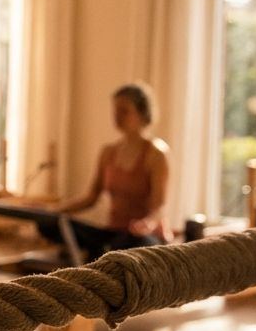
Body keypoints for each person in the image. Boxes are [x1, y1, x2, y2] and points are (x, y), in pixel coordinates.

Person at [53, 83, 172, 260]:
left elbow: (158, 207)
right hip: (112, 234)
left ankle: (104, 254)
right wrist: (54, 211)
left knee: (132, 242)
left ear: (142, 113)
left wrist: (146, 224)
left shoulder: (156, 153)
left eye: (124, 111)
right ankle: (104, 252)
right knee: (51, 224)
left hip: (142, 237)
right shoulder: (108, 152)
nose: (117, 116)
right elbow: (91, 197)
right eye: (115, 110)